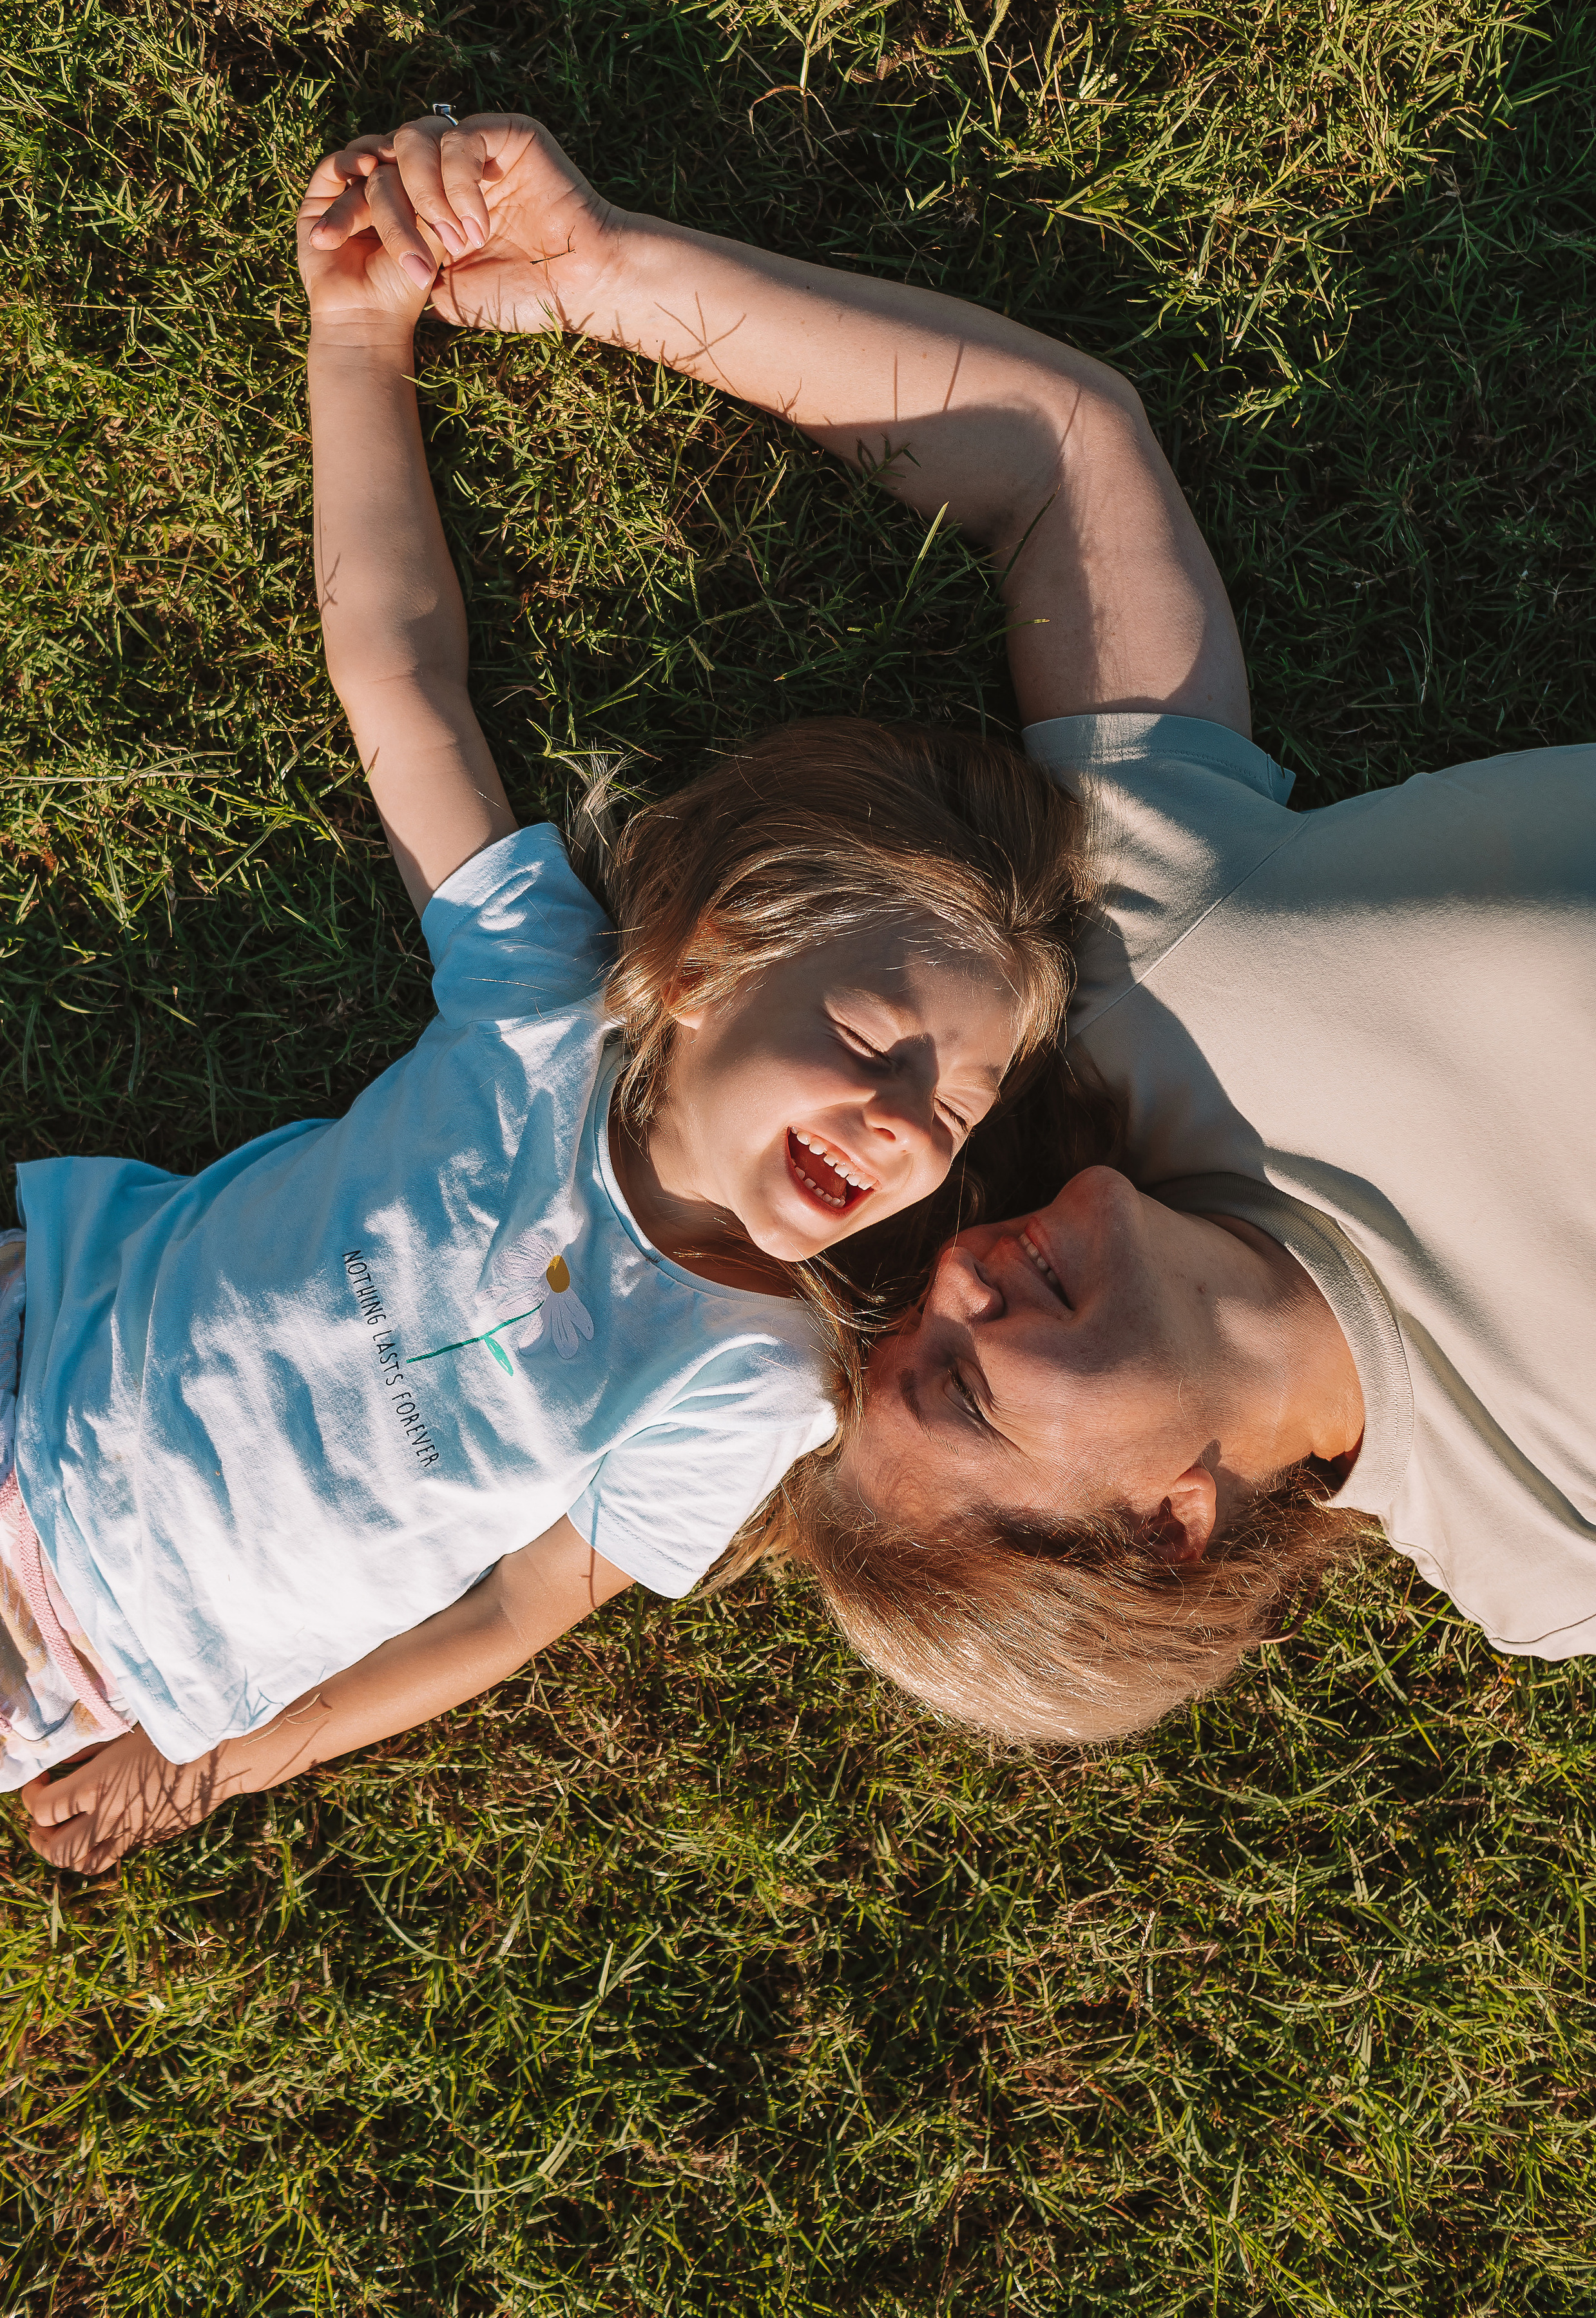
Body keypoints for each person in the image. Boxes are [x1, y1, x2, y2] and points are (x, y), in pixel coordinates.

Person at [302, 113, 1596, 1749]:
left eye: (906, 1337)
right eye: (960, 1385)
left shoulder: (1102, 984)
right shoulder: (1558, 1550)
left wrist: (605, 277)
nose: (941, 1282)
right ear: (1170, 1522)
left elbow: (1053, 461)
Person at [8, 124, 1093, 1871]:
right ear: (699, 964)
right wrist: (357, 348)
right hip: (35, 1359)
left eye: (954, 1109)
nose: (905, 1118)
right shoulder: (540, 1007)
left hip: (96, 1653)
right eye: (874, 1040)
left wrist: (223, 1765)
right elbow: (400, 677)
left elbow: (517, 1609)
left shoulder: (752, 1379)